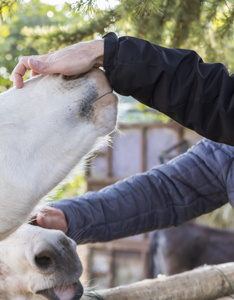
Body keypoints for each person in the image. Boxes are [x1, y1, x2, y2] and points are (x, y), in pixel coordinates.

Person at [11, 32, 234, 242]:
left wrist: (105, 53)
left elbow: (224, 104)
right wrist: (70, 217)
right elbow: (169, 191)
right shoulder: (226, 155)